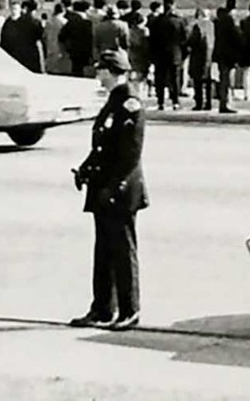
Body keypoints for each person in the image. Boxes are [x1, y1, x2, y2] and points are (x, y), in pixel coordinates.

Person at [69, 50, 148, 331]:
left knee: (123, 251)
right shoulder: (113, 102)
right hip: (103, 188)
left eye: (101, 69)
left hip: (120, 191)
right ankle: (102, 308)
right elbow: (102, 146)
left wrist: (114, 188)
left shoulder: (129, 103)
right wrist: (86, 169)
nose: (98, 74)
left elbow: (130, 155)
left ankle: (129, 309)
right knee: (103, 252)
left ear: (112, 71)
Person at [147, 0, 187, 112]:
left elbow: (152, 40)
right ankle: (175, 101)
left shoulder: (156, 21)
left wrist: (152, 55)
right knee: (175, 78)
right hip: (175, 53)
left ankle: (160, 102)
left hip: (160, 54)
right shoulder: (179, 21)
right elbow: (184, 39)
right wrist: (182, 54)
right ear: (173, 5)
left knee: (160, 78)